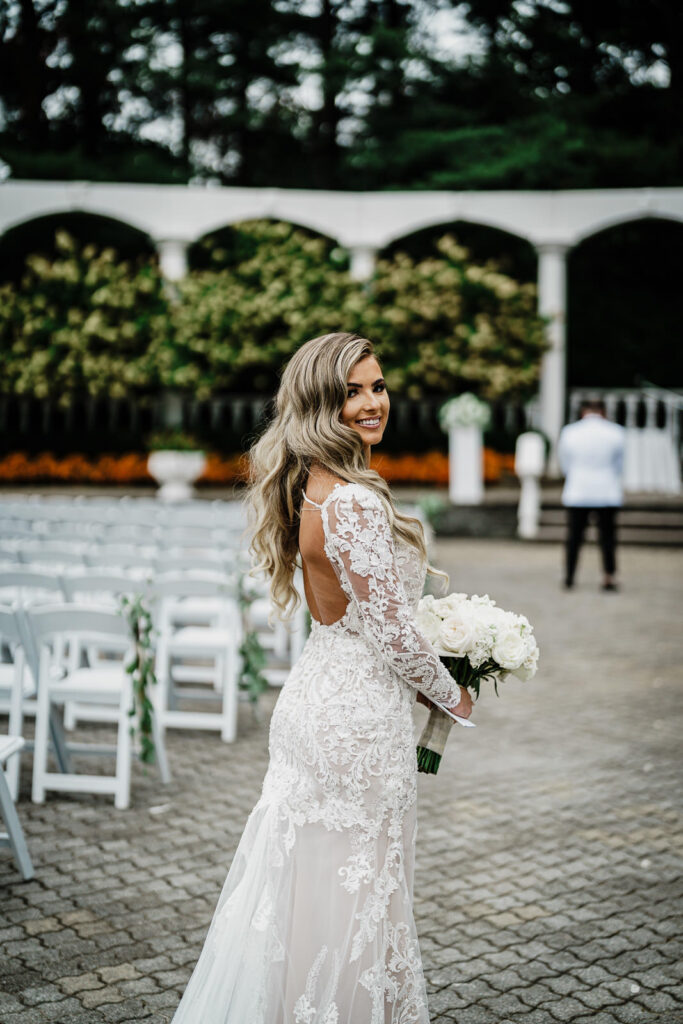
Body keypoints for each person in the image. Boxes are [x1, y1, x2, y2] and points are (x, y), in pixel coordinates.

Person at [170, 332, 472, 1024]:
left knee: (306, 892)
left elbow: (366, 616)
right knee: (356, 897)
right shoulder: (356, 501)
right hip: (356, 720)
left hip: (317, 699)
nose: (372, 403)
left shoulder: (313, 483)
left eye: (377, 386)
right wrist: (451, 693)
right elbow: (393, 634)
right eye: (351, 392)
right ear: (317, 403)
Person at [557, 399, 626, 592]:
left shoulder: (570, 432)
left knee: (574, 536)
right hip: (607, 490)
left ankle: (569, 576)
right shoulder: (616, 432)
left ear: (582, 412)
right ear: (603, 412)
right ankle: (609, 576)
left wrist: (575, 475)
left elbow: (564, 462)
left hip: (578, 489)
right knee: (608, 537)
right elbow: (619, 464)